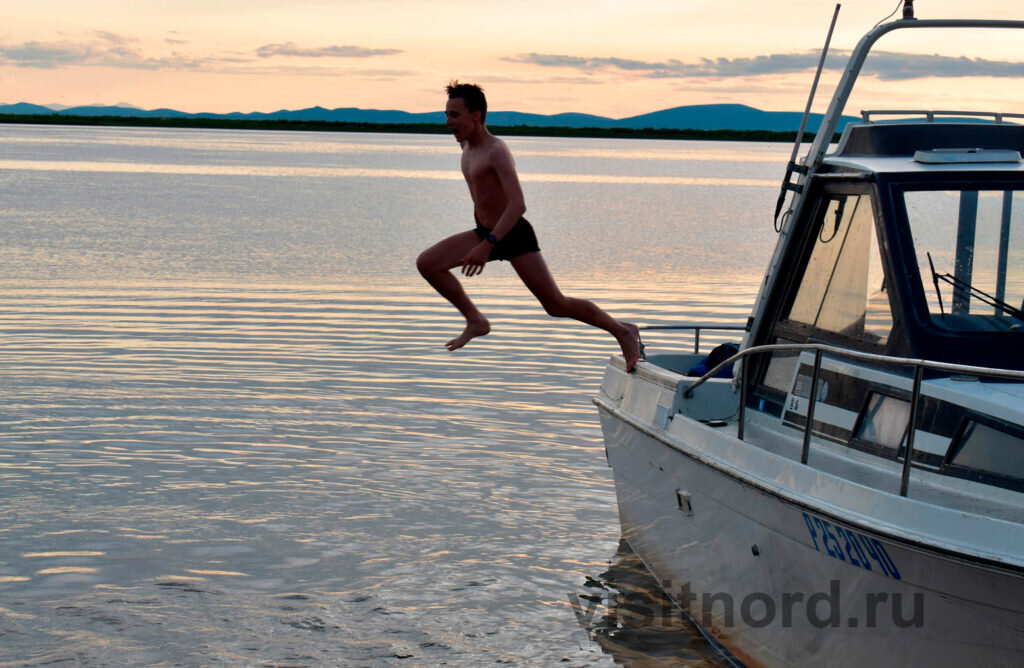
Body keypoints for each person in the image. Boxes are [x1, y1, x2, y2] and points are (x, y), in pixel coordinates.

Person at [416, 81, 642, 372]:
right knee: (428, 263)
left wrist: (487, 246)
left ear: (476, 115)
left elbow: (518, 204)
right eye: (446, 115)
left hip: (512, 234)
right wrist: (482, 236)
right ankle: (475, 320)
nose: (448, 122)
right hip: (485, 231)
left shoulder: (496, 151)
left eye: (455, 115)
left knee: (556, 305)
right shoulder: (466, 145)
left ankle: (622, 331)